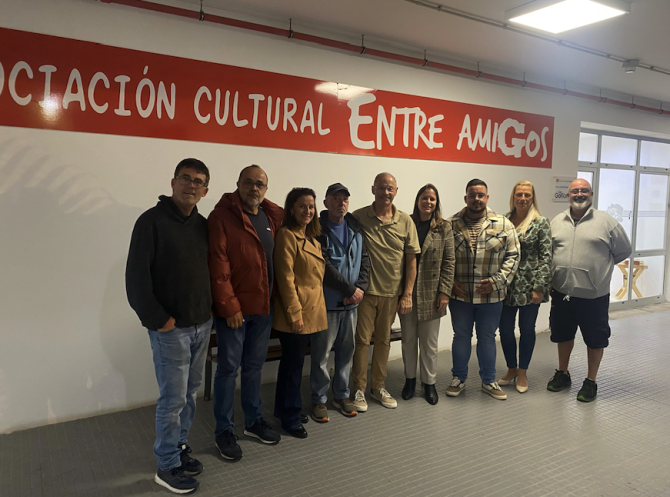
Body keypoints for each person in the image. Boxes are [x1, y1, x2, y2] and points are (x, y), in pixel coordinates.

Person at [125, 158, 212, 495]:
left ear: (205, 191)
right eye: (185, 178)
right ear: (173, 182)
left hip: (201, 324)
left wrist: (209, 313)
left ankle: (179, 448)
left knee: (189, 395)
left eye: (198, 181)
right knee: (173, 400)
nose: (191, 185)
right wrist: (158, 319)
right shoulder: (151, 222)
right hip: (171, 330)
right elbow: (136, 278)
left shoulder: (203, 225)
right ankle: (166, 465)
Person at [207, 164, 284, 462]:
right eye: (248, 182)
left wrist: (263, 200)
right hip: (235, 313)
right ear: (237, 184)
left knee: (253, 368)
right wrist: (229, 307)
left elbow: (284, 214)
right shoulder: (221, 217)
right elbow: (218, 266)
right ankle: (224, 431)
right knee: (228, 370)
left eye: (260, 184)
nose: (254, 188)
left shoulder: (269, 217)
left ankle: (253, 422)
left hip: (263, 309)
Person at [547, 178, 631, 402]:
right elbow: (550, 252)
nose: (579, 194)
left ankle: (590, 381)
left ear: (591, 195)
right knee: (563, 335)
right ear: (568, 196)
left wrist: (599, 270)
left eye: (584, 190)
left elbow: (623, 251)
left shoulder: (606, 222)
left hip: (594, 296)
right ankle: (563, 373)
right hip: (561, 292)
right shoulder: (557, 222)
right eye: (575, 191)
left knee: (595, 339)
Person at [351, 173, 421, 411]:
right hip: (365, 293)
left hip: (392, 294)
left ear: (396, 191)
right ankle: (358, 389)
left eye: (390, 188)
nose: (386, 192)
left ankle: (378, 386)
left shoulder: (405, 221)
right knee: (361, 341)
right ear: (373, 189)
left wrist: (407, 293)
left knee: (383, 341)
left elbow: (411, 261)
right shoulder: (358, 217)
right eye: (381, 188)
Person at [446, 179, 520, 401]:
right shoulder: (450, 224)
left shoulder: (504, 224)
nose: (476, 199)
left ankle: (488, 381)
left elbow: (514, 256)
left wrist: (497, 282)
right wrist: (450, 283)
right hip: (460, 296)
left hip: (491, 295)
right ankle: (458, 378)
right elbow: (441, 258)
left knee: (487, 338)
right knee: (461, 336)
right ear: (465, 198)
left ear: (487, 197)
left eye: (480, 195)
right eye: (472, 195)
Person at [310, 183, 371, 422]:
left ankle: (342, 395)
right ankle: (319, 398)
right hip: (328, 304)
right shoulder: (317, 229)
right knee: (322, 355)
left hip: (352, 305)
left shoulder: (355, 227)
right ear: (325, 202)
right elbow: (323, 266)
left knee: (346, 352)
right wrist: (350, 290)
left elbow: (365, 260)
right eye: (335, 198)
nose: (341, 203)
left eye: (345, 199)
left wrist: (360, 289)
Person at [273, 188, 328, 438]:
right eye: (302, 206)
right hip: (296, 313)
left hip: (312, 311)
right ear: (292, 209)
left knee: (294, 364)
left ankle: (286, 409)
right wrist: (295, 314)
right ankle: (290, 417)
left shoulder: (311, 239)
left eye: (311, 207)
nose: (308, 211)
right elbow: (285, 279)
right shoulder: (287, 235)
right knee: (293, 367)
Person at [399, 184, 455, 405]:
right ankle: (410, 380)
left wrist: (445, 292)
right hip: (407, 292)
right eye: (424, 198)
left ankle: (429, 383)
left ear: (436, 202)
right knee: (408, 340)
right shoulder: (407, 222)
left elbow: (449, 262)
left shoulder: (444, 227)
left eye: (432, 199)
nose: (428, 202)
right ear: (418, 200)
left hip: (432, 294)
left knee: (430, 344)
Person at [498, 181, 552, 393]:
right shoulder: (504, 220)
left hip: (530, 286)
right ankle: (511, 368)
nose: (522, 198)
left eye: (527, 195)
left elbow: (546, 257)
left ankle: (523, 372)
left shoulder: (540, 222)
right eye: (519, 194)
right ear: (513, 196)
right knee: (505, 329)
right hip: (507, 284)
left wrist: (539, 287)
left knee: (527, 329)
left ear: (532, 198)